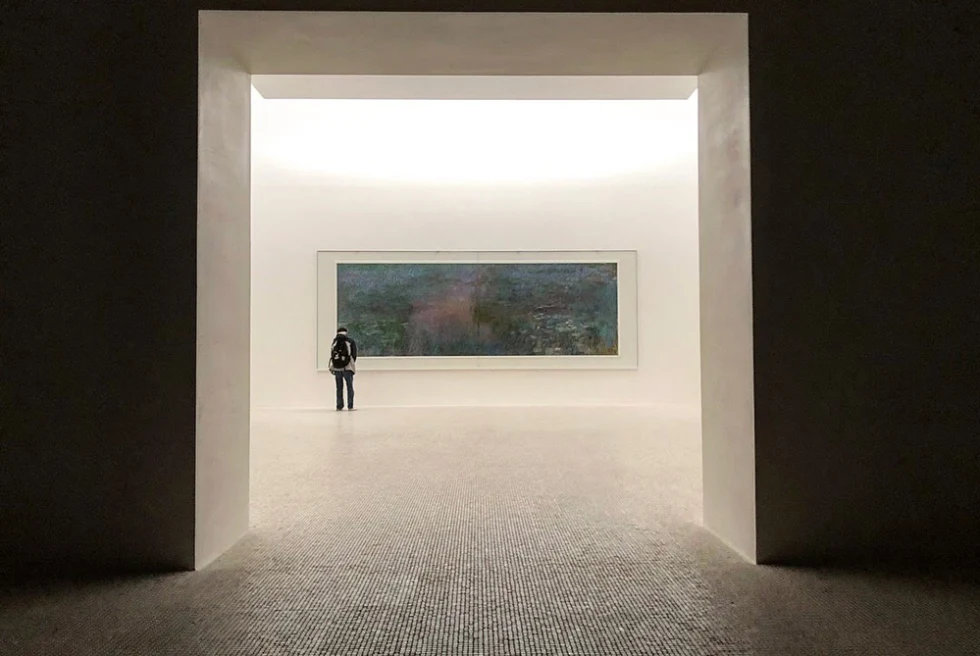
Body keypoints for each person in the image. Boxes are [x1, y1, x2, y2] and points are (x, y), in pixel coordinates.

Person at [329, 327, 357, 411]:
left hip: (337, 368)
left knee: (339, 387)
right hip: (348, 368)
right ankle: (350, 406)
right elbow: (354, 354)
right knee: (349, 387)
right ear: (346, 332)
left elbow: (332, 355)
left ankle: (339, 406)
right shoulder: (350, 341)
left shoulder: (335, 342)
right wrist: (349, 363)